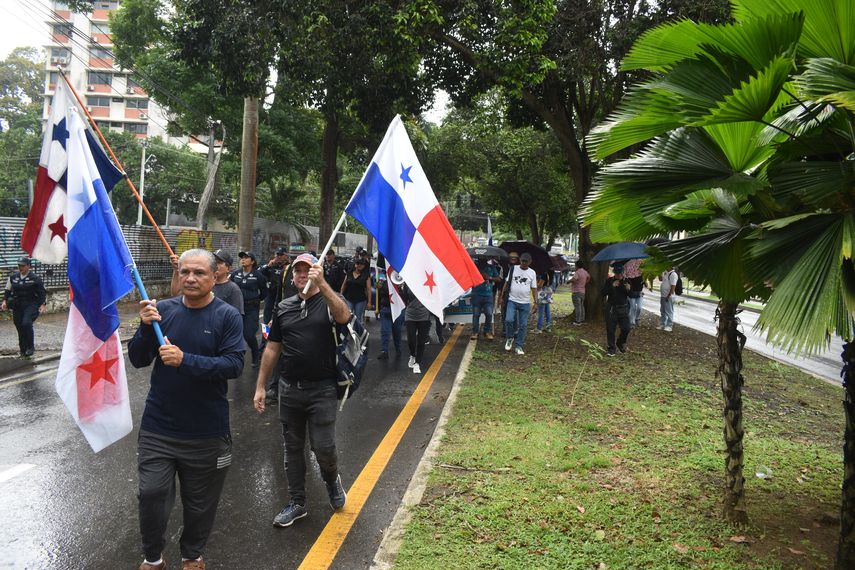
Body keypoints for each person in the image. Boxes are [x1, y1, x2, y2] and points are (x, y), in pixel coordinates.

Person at [128, 249, 244, 570]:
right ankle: (153, 557)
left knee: (199, 505)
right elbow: (138, 359)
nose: (190, 278)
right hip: (158, 428)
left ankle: (192, 554)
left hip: (207, 432)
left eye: (199, 273)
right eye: (185, 272)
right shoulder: (162, 310)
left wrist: (186, 360)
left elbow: (234, 365)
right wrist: (143, 327)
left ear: (214, 277)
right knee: (151, 495)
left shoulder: (227, 316)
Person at [252, 253, 349, 528]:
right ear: (292, 276)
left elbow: (343, 316)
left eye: (308, 270)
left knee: (323, 447)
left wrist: (326, 285)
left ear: (317, 273)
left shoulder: (329, 302)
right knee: (292, 448)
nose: (302, 275)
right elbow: (272, 348)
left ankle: (332, 481)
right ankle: (297, 502)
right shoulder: (283, 307)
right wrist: (261, 386)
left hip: (323, 390)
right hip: (290, 390)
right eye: (298, 271)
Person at [1, 256, 46, 358]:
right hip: (18, 304)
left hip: (31, 304)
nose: (20, 267)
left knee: (26, 323)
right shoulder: (13, 277)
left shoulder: (35, 278)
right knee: (19, 326)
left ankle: (30, 347)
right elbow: (8, 290)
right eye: (19, 265)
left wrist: (42, 304)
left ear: (28, 266)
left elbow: (42, 292)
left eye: (22, 266)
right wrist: (4, 301)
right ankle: (23, 349)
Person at [232, 251, 267, 367]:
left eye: (246, 258)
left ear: (252, 261)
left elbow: (264, 292)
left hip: (251, 308)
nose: (243, 259)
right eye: (242, 257)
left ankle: (255, 353)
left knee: (248, 334)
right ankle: (235, 357)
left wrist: (255, 300)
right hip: (237, 307)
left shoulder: (258, 276)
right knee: (235, 333)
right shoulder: (235, 274)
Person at [501, 252, 538, 355]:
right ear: (520, 260)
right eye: (522, 261)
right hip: (512, 300)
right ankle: (510, 338)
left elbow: (534, 288)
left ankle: (519, 345)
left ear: (530, 262)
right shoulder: (513, 269)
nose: (524, 263)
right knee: (508, 320)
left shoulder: (532, 273)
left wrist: (536, 302)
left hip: (525, 303)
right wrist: (502, 297)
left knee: (523, 325)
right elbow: (507, 283)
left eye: (526, 262)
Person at [601, 263, 632, 356]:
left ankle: (620, 342)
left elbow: (631, 295)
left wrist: (629, 289)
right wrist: (612, 286)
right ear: (615, 272)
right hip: (612, 308)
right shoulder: (609, 281)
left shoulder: (627, 281)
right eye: (617, 273)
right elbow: (603, 293)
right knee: (611, 329)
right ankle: (611, 348)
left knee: (626, 328)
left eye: (620, 273)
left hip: (623, 309)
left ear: (623, 273)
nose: (619, 275)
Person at [401, 284, 431, 374]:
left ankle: (417, 363)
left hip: (424, 315)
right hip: (410, 315)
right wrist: (400, 289)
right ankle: (412, 354)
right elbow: (404, 298)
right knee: (411, 340)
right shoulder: (408, 282)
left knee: (421, 341)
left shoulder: (428, 279)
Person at [470, 259, 501, 340]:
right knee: (476, 315)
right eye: (480, 257)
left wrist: (489, 277)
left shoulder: (492, 267)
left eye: (484, 257)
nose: (482, 258)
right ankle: (475, 332)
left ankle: (487, 331)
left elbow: (498, 279)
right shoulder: (473, 266)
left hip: (488, 295)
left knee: (489, 314)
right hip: (476, 294)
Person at [376, 274, 403, 359]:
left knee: (397, 331)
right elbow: (381, 294)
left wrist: (401, 287)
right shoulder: (383, 282)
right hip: (386, 309)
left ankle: (398, 348)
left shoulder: (402, 281)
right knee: (385, 331)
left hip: (397, 310)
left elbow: (404, 296)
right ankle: (384, 351)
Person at [260, 247, 290, 324]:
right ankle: (266, 333)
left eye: (281, 254)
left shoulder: (289, 267)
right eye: (277, 254)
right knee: (267, 315)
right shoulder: (271, 265)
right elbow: (258, 274)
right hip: (270, 295)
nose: (278, 257)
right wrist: (268, 266)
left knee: (281, 314)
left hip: (282, 295)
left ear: (286, 256)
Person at [210, 249, 244, 315]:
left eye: (219, 262)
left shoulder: (233, 289)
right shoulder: (206, 284)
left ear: (228, 268)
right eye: (214, 262)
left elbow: (236, 316)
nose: (215, 265)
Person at [341, 257, 372, 324]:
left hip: (360, 300)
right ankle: (347, 332)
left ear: (364, 266)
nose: (359, 265)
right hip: (349, 298)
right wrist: (341, 296)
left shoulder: (366, 276)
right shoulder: (349, 273)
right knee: (348, 316)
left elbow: (369, 289)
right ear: (355, 264)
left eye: (362, 264)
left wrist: (369, 302)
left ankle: (359, 333)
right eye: (358, 263)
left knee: (358, 318)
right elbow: (344, 285)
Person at [623, 258, 645, 328]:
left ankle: (637, 318)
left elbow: (644, 279)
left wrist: (647, 284)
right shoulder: (627, 264)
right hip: (631, 292)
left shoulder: (642, 264)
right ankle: (631, 322)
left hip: (639, 292)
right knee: (632, 307)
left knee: (639, 308)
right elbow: (624, 277)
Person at [569, 260, 590, 325]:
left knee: (578, 307)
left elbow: (574, 279)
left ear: (577, 266)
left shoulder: (577, 272)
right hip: (582, 291)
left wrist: (569, 281)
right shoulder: (585, 272)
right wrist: (586, 282)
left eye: (575, 265)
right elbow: (589, 277)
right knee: (581, 306)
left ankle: (578, 321)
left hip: (576, 292)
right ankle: (582, 319)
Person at [658, 265, 679, 332]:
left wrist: (669, 295)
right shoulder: (666, 273)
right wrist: (659, 273)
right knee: (663, 310)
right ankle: (662, 324)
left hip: (669, 296)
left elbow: (673, 286)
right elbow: (660, 279)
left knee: (669, 311)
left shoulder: (673, 274)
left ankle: (669, 325)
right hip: (663, 295)